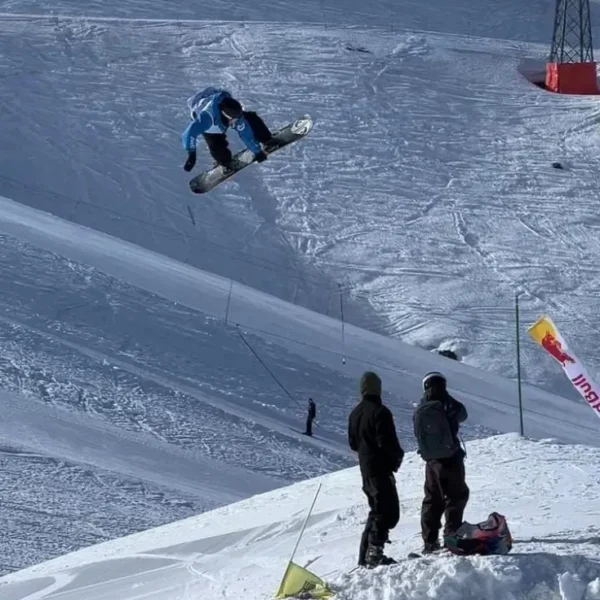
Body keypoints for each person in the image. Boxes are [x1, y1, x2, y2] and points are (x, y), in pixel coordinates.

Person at [348, 371, 404, 568]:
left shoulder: (355, 413)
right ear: (378, 389)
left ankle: (365, 556)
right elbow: (387, 443)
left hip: (366, 469)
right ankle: (375, 554)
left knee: (376, 509)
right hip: (380, 468)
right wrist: (396, 459)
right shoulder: (380, 411)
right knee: (388, 512)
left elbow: (353, 444)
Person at [413, 371, 469, 554]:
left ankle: (429, 541)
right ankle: (451, 535)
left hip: (431, 462)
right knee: (456, 496)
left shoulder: (422, 405)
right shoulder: (446, 402)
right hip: (451, 458)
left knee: (432, 499)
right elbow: (463, 414)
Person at [181, 87, 275, 173]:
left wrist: (257, 151)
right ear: (226, 117)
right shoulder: (206, 119)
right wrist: (192, 155)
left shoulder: (235, 114)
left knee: (250, 119)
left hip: (216, 101)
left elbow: (245, 132)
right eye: (233, 120)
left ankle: (266, 138)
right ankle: (224, 162)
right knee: (216, 144)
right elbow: (189, 134)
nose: (236, 121)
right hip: (207, 120)